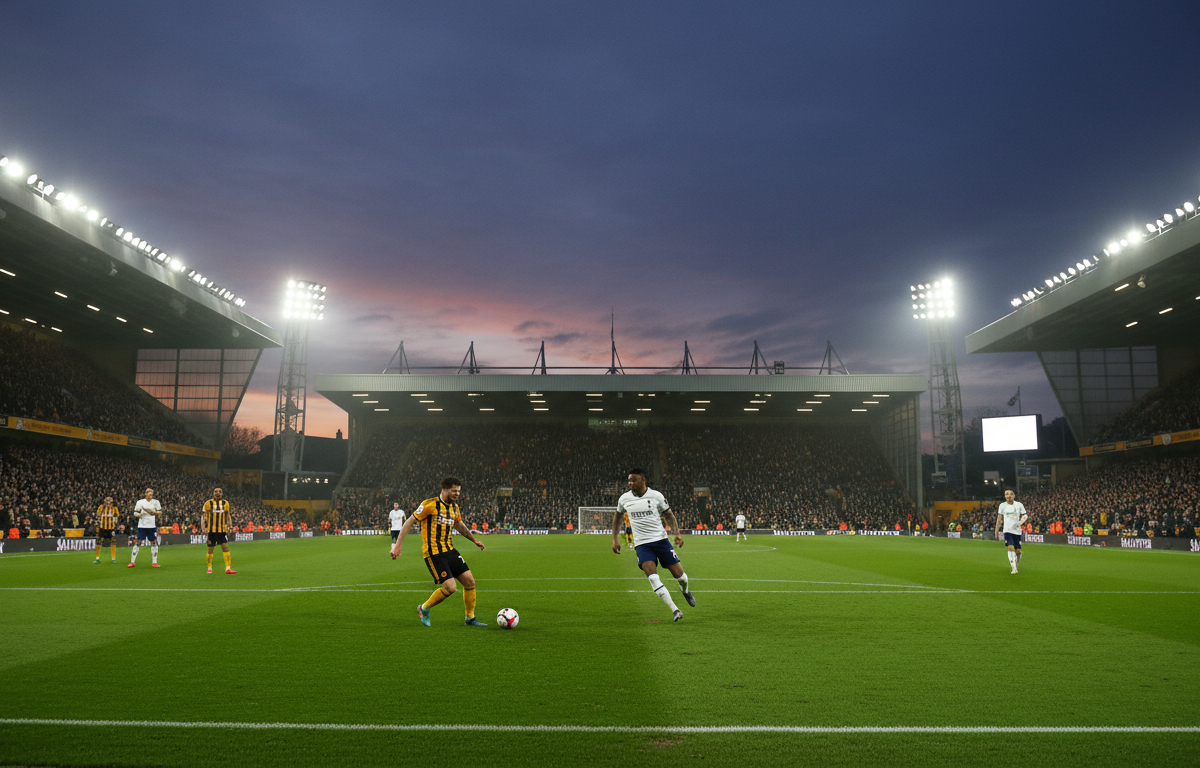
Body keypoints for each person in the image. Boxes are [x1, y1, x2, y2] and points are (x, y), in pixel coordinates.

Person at [390, 477, 487, 627]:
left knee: (469, 582)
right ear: (444, 489)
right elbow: (410, 521)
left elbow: (459, 525)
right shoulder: (429, 505)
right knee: (450, 588)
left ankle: (470, 618)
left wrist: (474, 540)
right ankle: (424, 608)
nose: (457, 494)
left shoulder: (454, 507)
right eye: (454, 491)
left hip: (450, 550)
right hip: (434, 553)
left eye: (459, 491)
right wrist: (397, 546)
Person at [612, 468, 694, 622]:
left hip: (661, 541)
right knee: (653, 577)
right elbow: (617, 517)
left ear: (642, 480)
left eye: (633, 480)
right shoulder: (624, 499)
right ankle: (675, 610)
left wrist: (677, 534)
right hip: (642, 545)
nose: (630, 483)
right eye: (629, 480)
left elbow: (669, 515)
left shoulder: (656, 496)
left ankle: (686, 591)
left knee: (680, 576)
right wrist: (615, 539)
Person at [994, 488, 1029, 575]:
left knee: (1018, 551)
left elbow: (1025, 516)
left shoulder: (1019, 505)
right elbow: (999, 519)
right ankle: (1014, 569)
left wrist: (1019, 523)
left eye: (1011, 494)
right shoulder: (1002, 506)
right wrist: (996, 530)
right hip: (1007, 530)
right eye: (1006, 494)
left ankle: (1015, 565)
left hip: (1017, 531)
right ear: (1005, 496)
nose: (1008, 496)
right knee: (1010, 548)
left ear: (1014, 496)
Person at [203, 488, 236, 575]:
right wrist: (203, 527)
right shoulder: (208, 503)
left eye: (220, 492)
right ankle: (209, 568)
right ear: (213, 493)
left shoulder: (225, 503)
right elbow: (204, 516)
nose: (218, 493)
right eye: (216, 491)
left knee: (225, 546)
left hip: (222, 530)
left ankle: (228, 568)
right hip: (211, 530)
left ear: (222, 493)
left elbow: (228, 515)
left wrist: (230, 525)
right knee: (210, 548)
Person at [129, 488, 161, 568]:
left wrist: (155, 513)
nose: (149, 494)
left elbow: (160, 512)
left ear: (152, 493)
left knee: (154, 542)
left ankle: (154, 562)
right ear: (145, 493)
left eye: (151, 492)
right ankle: (132, 562)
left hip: (151, 526)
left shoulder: (156, 502)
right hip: (142, 526)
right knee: (138, 542)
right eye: (147, 492)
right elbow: (135, 512)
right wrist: (139, 515)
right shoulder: (140, 502)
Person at [93, 496, 120, 564]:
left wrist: (116, 523)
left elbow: (117, 517)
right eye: (107, 502)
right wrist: (96, 525)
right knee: (99, 542)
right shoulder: (101, 507)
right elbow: (97, 516)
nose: (108, 504)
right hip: (102, 528)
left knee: (113, 542)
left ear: (112, 503)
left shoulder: (115, 509)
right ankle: (97, 559)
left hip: (111, 529)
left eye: (110, 503)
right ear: (105, 502)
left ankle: (113, 559)